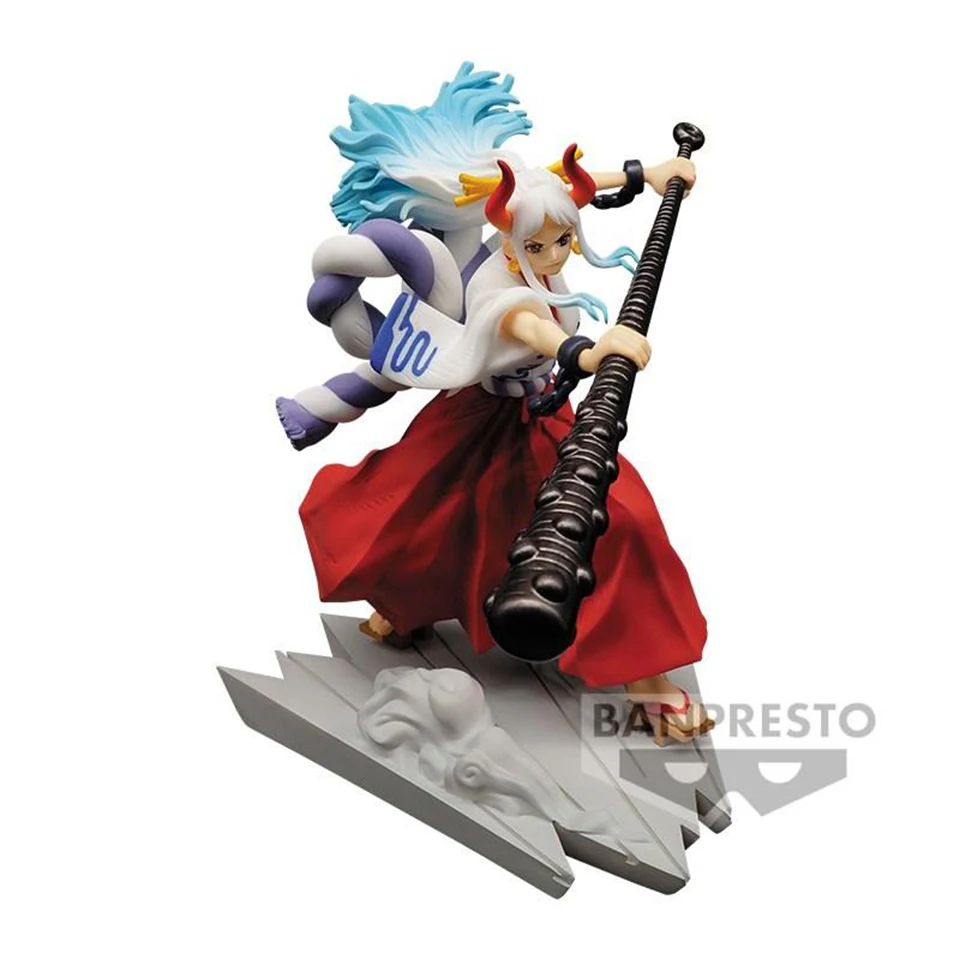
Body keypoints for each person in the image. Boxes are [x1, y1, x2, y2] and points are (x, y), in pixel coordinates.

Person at [278, 64, 712, 743]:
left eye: (563, 241)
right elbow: (525, 327)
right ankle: (403, 605)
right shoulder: (494, 283)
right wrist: (589, 353)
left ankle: (646, 674)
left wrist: (646, 174)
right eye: (537, 245)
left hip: (539, 417)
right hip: (480, 418)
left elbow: (566, 184)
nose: (555, 255)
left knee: (618, 524)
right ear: (506, 231)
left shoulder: (534, 213)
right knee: (420, 515)